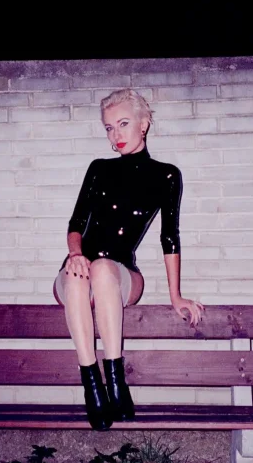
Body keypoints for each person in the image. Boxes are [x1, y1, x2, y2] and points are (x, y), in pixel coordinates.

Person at [52, 88, 205, 430]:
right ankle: (94, 386)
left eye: (123, 124)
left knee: (105, 267)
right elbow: (76, 225)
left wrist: (175, 295)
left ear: (144, 124)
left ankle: (115, 379)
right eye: (108, 127)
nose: (115, 134)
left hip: (121, 275)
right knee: (85, 270)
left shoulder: (166, 175)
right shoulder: (99, 169)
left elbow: (170, 237)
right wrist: (75, 255)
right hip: (79, 273)